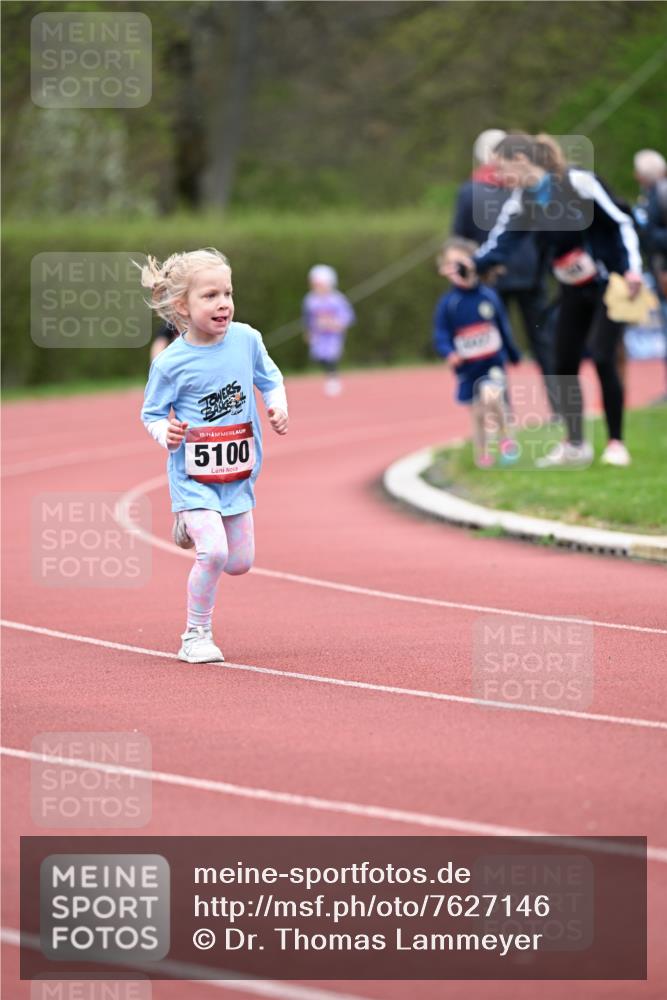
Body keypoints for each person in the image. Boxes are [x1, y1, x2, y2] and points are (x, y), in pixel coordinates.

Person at [140, 248, 288, 664]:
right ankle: (196, 635)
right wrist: (163, 432)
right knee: (216, 554)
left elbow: (270, 379)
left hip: (237, 475)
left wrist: (278, 406)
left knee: (240, 562)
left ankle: (187, 527)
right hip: (192, 478)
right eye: (210, 295)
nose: (223, 303)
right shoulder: (171, 363)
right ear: (182, 306)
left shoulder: (247, 340)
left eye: (228, 292)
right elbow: (151, 412)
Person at [465, 133, 643, 467]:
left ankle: (616, 443)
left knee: (604, 357)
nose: (499, 178)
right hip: (572, 289)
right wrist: (470, 265)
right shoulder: (523, 199)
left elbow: (623, 221)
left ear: (521, 161)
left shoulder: (577, 182)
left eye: (502, 169)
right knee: (563, 364)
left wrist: (633, 271)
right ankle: (576, 444)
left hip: (614, 285)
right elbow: (501, 242)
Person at [452, 129, 555, 408]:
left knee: (495, 347)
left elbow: (460, 238)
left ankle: (505, 413)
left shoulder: (475, 190)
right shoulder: (522, 186)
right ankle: (559, 410)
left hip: (495, 278)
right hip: (526, 275)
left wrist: (470, 267)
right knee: (541, 343)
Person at [433, 237, 521, 467]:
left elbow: (502, 327)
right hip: (467, 368)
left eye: (461, 262)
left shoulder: (488, 296)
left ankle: (507, 440)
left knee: (492, 396)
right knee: (478, 412)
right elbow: (441, 334)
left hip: (492, 363)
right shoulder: (448, 304)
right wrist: (448, 352)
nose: (457, 269)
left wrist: (512, 353)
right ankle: (483, 452)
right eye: (451, 264)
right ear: (444, 270)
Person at [302, 264, 355, 396]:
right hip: (319, 335)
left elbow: (347, 317)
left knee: (331, 355)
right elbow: (307, 317)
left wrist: (335, 324)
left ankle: (333, 379)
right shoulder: (310, 300)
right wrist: (308, 331)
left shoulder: (337, 299)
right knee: (319, 355)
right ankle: (330, 376)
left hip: (333, 335)